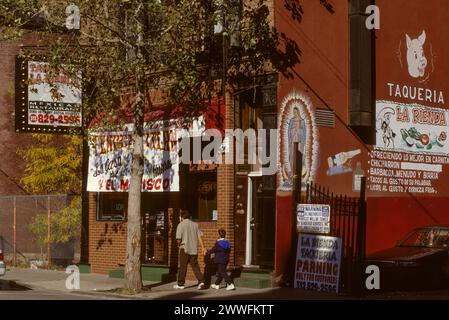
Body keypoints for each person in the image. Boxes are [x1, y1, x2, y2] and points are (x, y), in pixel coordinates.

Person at [174, 210, 206, 290]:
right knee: (195, 267)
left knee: (183, 267)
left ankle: (181, 284)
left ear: (182, 217)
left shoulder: (180, 225)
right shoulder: (195, 225)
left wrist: (178, 245)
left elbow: (178, 239)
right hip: (193, 250)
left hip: (184, 249)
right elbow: (200, 237)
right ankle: (201, 281)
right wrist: (203, 247)